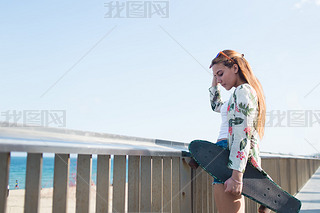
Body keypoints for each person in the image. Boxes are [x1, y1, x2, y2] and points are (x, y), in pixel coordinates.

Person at [209, 50, 269, 213]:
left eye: (221, 74)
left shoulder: (243, 91)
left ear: (235, 68)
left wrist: (236, 176)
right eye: (216, 76)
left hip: (228, 156)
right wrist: (214, 78)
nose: (219, 80)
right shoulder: (237, 95)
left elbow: (242, 134)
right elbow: (215, 106)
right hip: (228, 156)